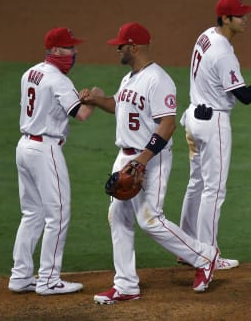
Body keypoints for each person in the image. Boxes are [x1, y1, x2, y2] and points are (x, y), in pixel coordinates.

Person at [80, 22, 219, 304]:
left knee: (150, 219)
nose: (116, 49)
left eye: (121, 45)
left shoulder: (159, 80)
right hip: (125, 156)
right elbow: (118, 106)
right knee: (117, 217)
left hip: (150, 157)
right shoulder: (129, 78)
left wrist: (142, 160)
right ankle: (126, 285)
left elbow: (167, 124)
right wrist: (97, 100)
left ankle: (205, 256)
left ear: (134, 47)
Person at [178, 0, 251, 270]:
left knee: (196, 185)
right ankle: (208, 254)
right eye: (240, 15)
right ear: (226, 19)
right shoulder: (224, 52)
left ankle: (185, 245)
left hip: (192, 119)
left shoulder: (206, 35)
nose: (245, 18)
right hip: (213, 125)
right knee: (214, 190)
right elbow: (245, 96)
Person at [9, 27, 96, 295]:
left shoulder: (30, 73)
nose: (74, 53)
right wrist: (93, 97)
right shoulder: (58, 80)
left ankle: (21, 276)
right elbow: (80, 114)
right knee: (57, 215)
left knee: (32, 214)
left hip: (24, 146)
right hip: (45, 150)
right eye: (70, 48)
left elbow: (49, 105)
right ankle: (48, 279)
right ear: (56, 51)